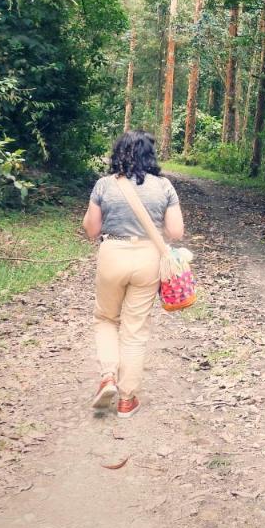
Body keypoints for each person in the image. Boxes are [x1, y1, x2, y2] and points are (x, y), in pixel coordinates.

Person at [82, 130, 184, 418]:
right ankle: (127, 399)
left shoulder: (104, 185)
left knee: (105, 318)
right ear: (150, 155)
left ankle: (107, 377)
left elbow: (91, 231)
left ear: (118, 153)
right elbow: (175, 232)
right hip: (148, 258)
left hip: (112, 254)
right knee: (135, 329)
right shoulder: (164, 187)